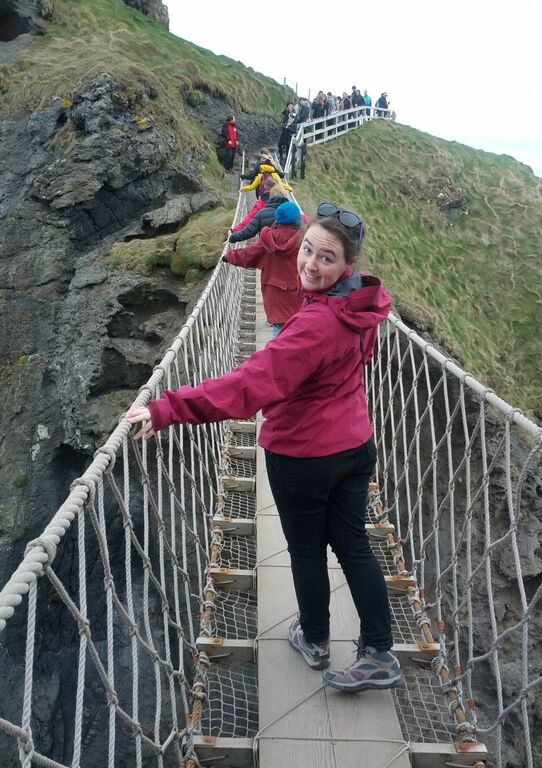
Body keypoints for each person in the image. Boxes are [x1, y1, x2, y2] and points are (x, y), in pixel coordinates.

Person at [125, 202, 402, 693]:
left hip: (304, 456)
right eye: (308, 250)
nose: (311, 264)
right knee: (355, 545)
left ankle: (315, 639)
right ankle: (380, 651)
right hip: (356, 447)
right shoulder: (363, 307)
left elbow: (249, 386)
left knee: (306, 551)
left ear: (347, 267)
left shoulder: (313, 326)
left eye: (327, 258)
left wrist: (168, 409)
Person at [224, 200, 303, 338]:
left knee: (279, 332)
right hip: (298, 294)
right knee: (298, 332)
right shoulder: (305, 241)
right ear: (297, 220)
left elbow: (248, 255)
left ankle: (278, 357)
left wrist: (229, 256)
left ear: (277, 220)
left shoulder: (267, 240)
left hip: (274, 295)